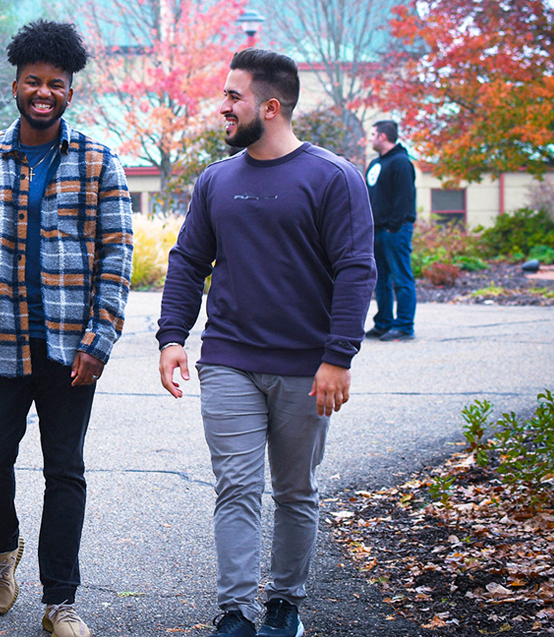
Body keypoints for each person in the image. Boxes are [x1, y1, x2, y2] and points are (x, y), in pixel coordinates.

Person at [156, 49, 376, 637]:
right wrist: (172, 336)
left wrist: (338, 358)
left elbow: (357, 270)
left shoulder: (334, 178)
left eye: (234, 96)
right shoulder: (216, 181)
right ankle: (235, 613)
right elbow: (187, 263)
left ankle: (285, 604)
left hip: (308, 367)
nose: (222, 106)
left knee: (296, 490)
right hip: (229, 360)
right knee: (237, 488)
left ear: (270, 107)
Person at [0, 20, 133, 637]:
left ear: (70, 90)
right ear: (16, 85)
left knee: (63, 470)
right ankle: (2, 548)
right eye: (33, 82)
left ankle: (60, 601)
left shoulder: (100, 161)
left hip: (71, 351)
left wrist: (100, 340)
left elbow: (116, 257)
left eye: (56, 84)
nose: (44, 92)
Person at [365, 120, 417, 341]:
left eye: (373, 134)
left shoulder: (401, 162)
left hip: (395, 230)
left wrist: (394, 227)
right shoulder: (376, 163)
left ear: (383, 137)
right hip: (376, 231)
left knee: (401, 278)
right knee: (381, 280)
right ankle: (383, 322)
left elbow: (404, 198)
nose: (370, 139)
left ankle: (404, 326)